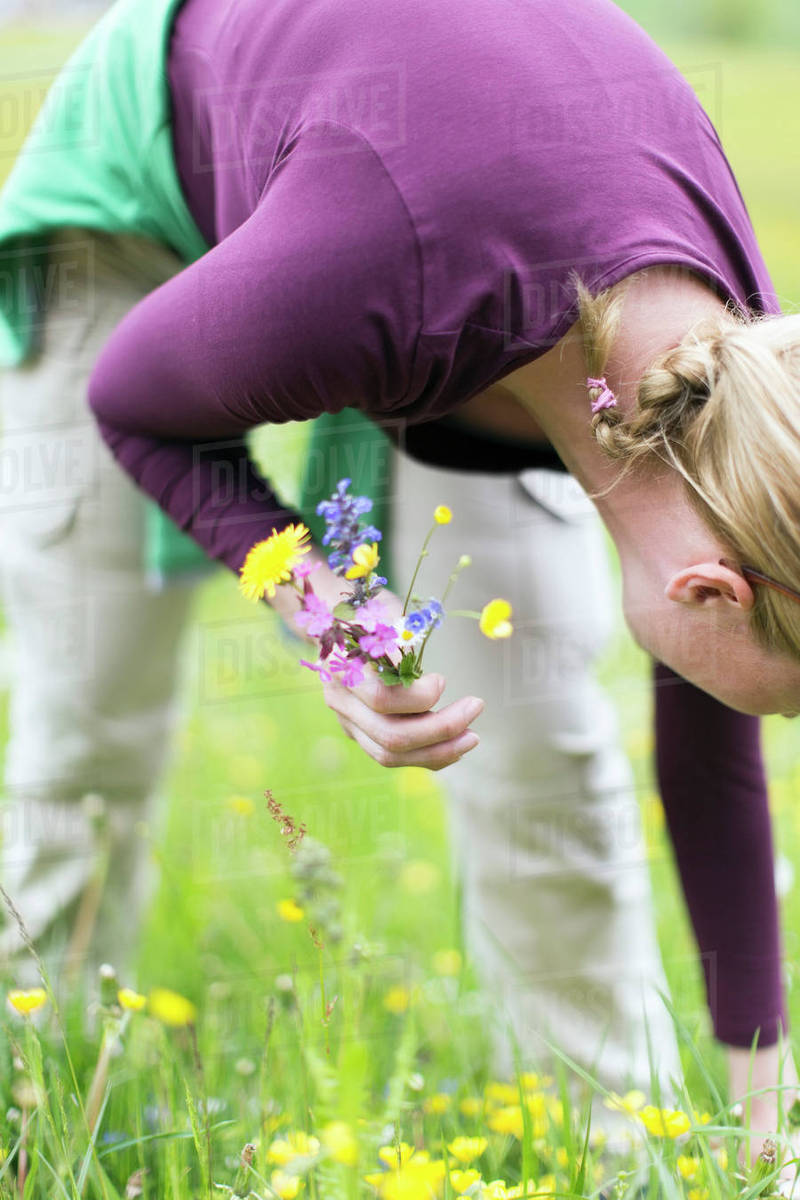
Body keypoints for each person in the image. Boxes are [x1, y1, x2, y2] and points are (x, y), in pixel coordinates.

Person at [0, 0, 794, 1156]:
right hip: (153, 195)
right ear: (708, 590)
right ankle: (35, 1107)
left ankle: (612, 1150)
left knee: (542, 742)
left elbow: (710, 743)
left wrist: (765, 1103)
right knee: (94, 716)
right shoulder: (394, 270)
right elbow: (134, 402)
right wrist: (321, 615)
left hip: (431, 237)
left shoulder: (741, 390)